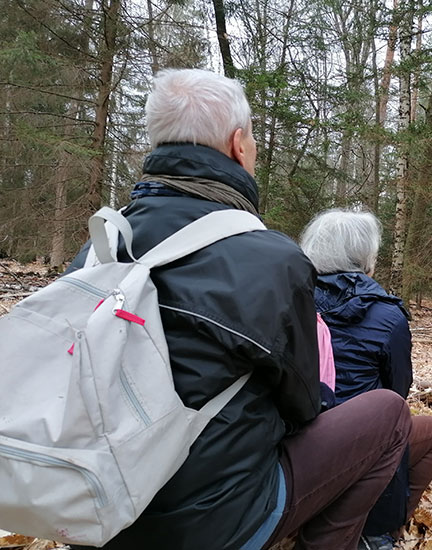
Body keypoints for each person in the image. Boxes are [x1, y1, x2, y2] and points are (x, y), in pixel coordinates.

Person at [67, 68, 412, 550]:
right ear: (237, 145)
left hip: (97, 510)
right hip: (216, 523)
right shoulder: (271, 259)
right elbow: (304, 406)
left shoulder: (98, 248)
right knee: (389, 412)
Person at [300, 209, 432, 550]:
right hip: (357, 444)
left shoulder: (286, 298)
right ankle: (380, 531)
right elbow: (397, 393)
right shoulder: (387, 314)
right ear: (365, 258)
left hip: (292, 443)